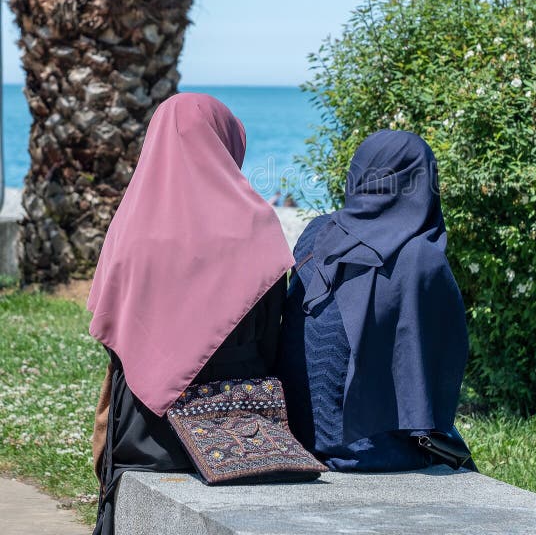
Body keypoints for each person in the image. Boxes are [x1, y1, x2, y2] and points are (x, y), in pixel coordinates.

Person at [87, 93, 294, 535]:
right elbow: (273, 338)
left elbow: (113, 337)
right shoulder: (257, 224)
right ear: (225, 143)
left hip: (142, 436)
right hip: (242, 429)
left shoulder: (130, 226)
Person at [277, 130, 471, 471]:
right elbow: (433, 379)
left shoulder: (317, 232)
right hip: (364, 450)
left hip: (294, 432)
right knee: (456, 453)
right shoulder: (419, 257)